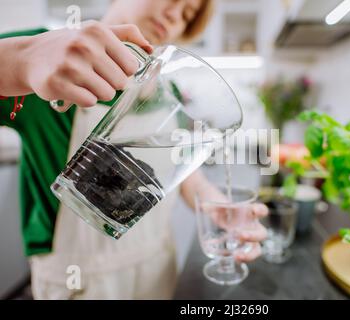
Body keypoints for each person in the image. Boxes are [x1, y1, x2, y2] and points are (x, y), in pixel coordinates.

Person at [0, 0, 267, 299]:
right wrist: (17, 62)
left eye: (187, 14)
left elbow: (179, 168)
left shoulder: (171, 92)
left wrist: (218, 206)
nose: (174, 15)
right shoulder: (52, 61)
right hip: (79, 277)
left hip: (156, 267)